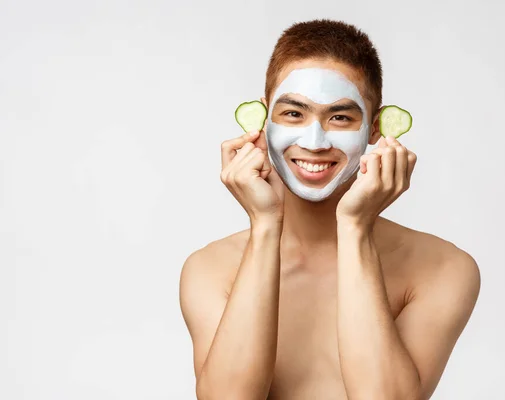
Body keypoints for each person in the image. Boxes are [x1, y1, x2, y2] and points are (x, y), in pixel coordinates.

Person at [179, 19, 480, 400]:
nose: (315, 141)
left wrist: (355, 228)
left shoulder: (444, 268)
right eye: (293, 114)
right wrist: (265, 225)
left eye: (340, 117)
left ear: (374, 129)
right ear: (262, 120)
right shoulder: (210, 268)